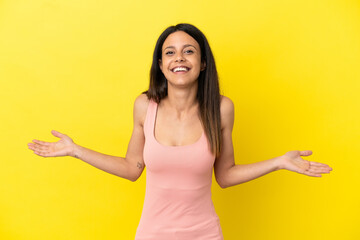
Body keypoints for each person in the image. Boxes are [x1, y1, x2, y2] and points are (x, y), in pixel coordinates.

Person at [27, 23, 333, 240]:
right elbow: (132, 168)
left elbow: (225, 175)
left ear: (202, 64)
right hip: (152, 234)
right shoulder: (144, 106)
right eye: (170, 53)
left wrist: (278, 162)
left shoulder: (221, 108)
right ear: (161, 65)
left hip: (204, 234)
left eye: (189, 51)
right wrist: (76, 150)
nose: (179, 58)